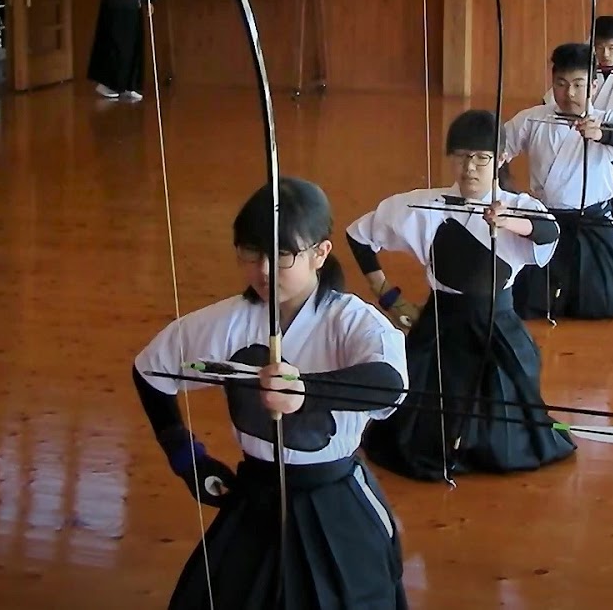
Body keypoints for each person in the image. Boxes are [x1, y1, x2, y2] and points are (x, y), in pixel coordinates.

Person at [132, 177, 410, 609]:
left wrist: (306, 391)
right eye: (250, 252)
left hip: (333, 494)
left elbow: (389, 387)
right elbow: (150, 372)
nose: (262, 269)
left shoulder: (354, 321)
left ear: (321, 252)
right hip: (256, 496)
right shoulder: (225, 322)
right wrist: (187, 457)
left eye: (281, 254)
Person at [346, 109, 575, 481]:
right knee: (419, 420)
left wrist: (507, 221)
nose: (470, 167)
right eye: (461, 156)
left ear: (500, 159)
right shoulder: (423, 205)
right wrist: (387, 295)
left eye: (482, 158)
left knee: (506, 414)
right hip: (440, 323)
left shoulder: (520, 206)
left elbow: (548, 233)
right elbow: (358, 236)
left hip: (496, 326)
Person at [503, 43, 613, 321]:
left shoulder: (608, 119)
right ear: (552, 84)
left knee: (607, 301)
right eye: (561, 84)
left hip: (591, 222)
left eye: (579, 85)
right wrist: (506, 190)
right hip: (544, 223)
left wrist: (604, 134)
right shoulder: (533, 119)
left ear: (593, 86)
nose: (569, 94)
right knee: (523, 302)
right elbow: (499, 147)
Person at [542, 17, 613, 227]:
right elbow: (550, 99)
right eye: (599, 47)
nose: (604, 54)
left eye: (611, 48)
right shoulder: (585, 68)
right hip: (588, 132)